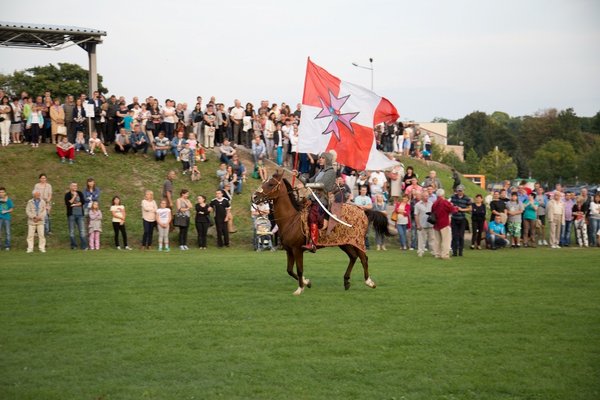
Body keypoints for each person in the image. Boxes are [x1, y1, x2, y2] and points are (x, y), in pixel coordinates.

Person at [295, 152, 338, 252]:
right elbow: (309, 181)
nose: (320, 159)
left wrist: (306, 186)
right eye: (320, 158)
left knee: (312, 216)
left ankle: (313, 244)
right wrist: (298, 175)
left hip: (322, 200)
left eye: (322, 158)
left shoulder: (331, 172)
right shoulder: (320, 171)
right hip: (313, 198)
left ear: (327, 159)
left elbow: (321, 184)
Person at [431, 189, 455, 259]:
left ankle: (437, 254)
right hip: (444, 223)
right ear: (443, 195)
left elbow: (432, 211)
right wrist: (455, 207)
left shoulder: (434, 203)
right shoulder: (445, 202)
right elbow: (452, 209)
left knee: (437, 240)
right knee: (446, 240)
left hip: (436, 223)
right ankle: (445, 255)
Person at [449, 184, 471, 256]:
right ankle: (454, 251)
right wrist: (453, 207)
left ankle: (460, 251)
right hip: (454, 218)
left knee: (461, 236)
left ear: (463, 191)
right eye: (458, 191)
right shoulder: (453, 197)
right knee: (454, 235)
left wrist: (462, 209)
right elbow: (450, 204)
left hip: (462, 219)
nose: (459, 192)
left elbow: (470, 208)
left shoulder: (467, 198)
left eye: (460, 191)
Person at [65, 182, 88, 250]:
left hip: (80, 214)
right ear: (70, 187)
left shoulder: (80, 193)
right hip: (71, 215)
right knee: (72, 231)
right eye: (74, 185)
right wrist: (74, 196)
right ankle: (74, 246)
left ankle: (84, 246)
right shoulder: (68, 195)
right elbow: (68, 204)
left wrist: (75, 204)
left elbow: (83, 202)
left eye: (76, 185)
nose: (75, 187)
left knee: (82, 231)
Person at [414, 189, 435, 257]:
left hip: (431, 225)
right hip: (422, 225)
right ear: (422, 197)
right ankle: (420, 251)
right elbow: (416, 215)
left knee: (432, 239)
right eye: (425, 196)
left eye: (427, 196)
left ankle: (433, 251)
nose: (427, 197)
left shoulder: (431, 203)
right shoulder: (417, 205)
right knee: (421, 239)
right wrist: (418, 225)